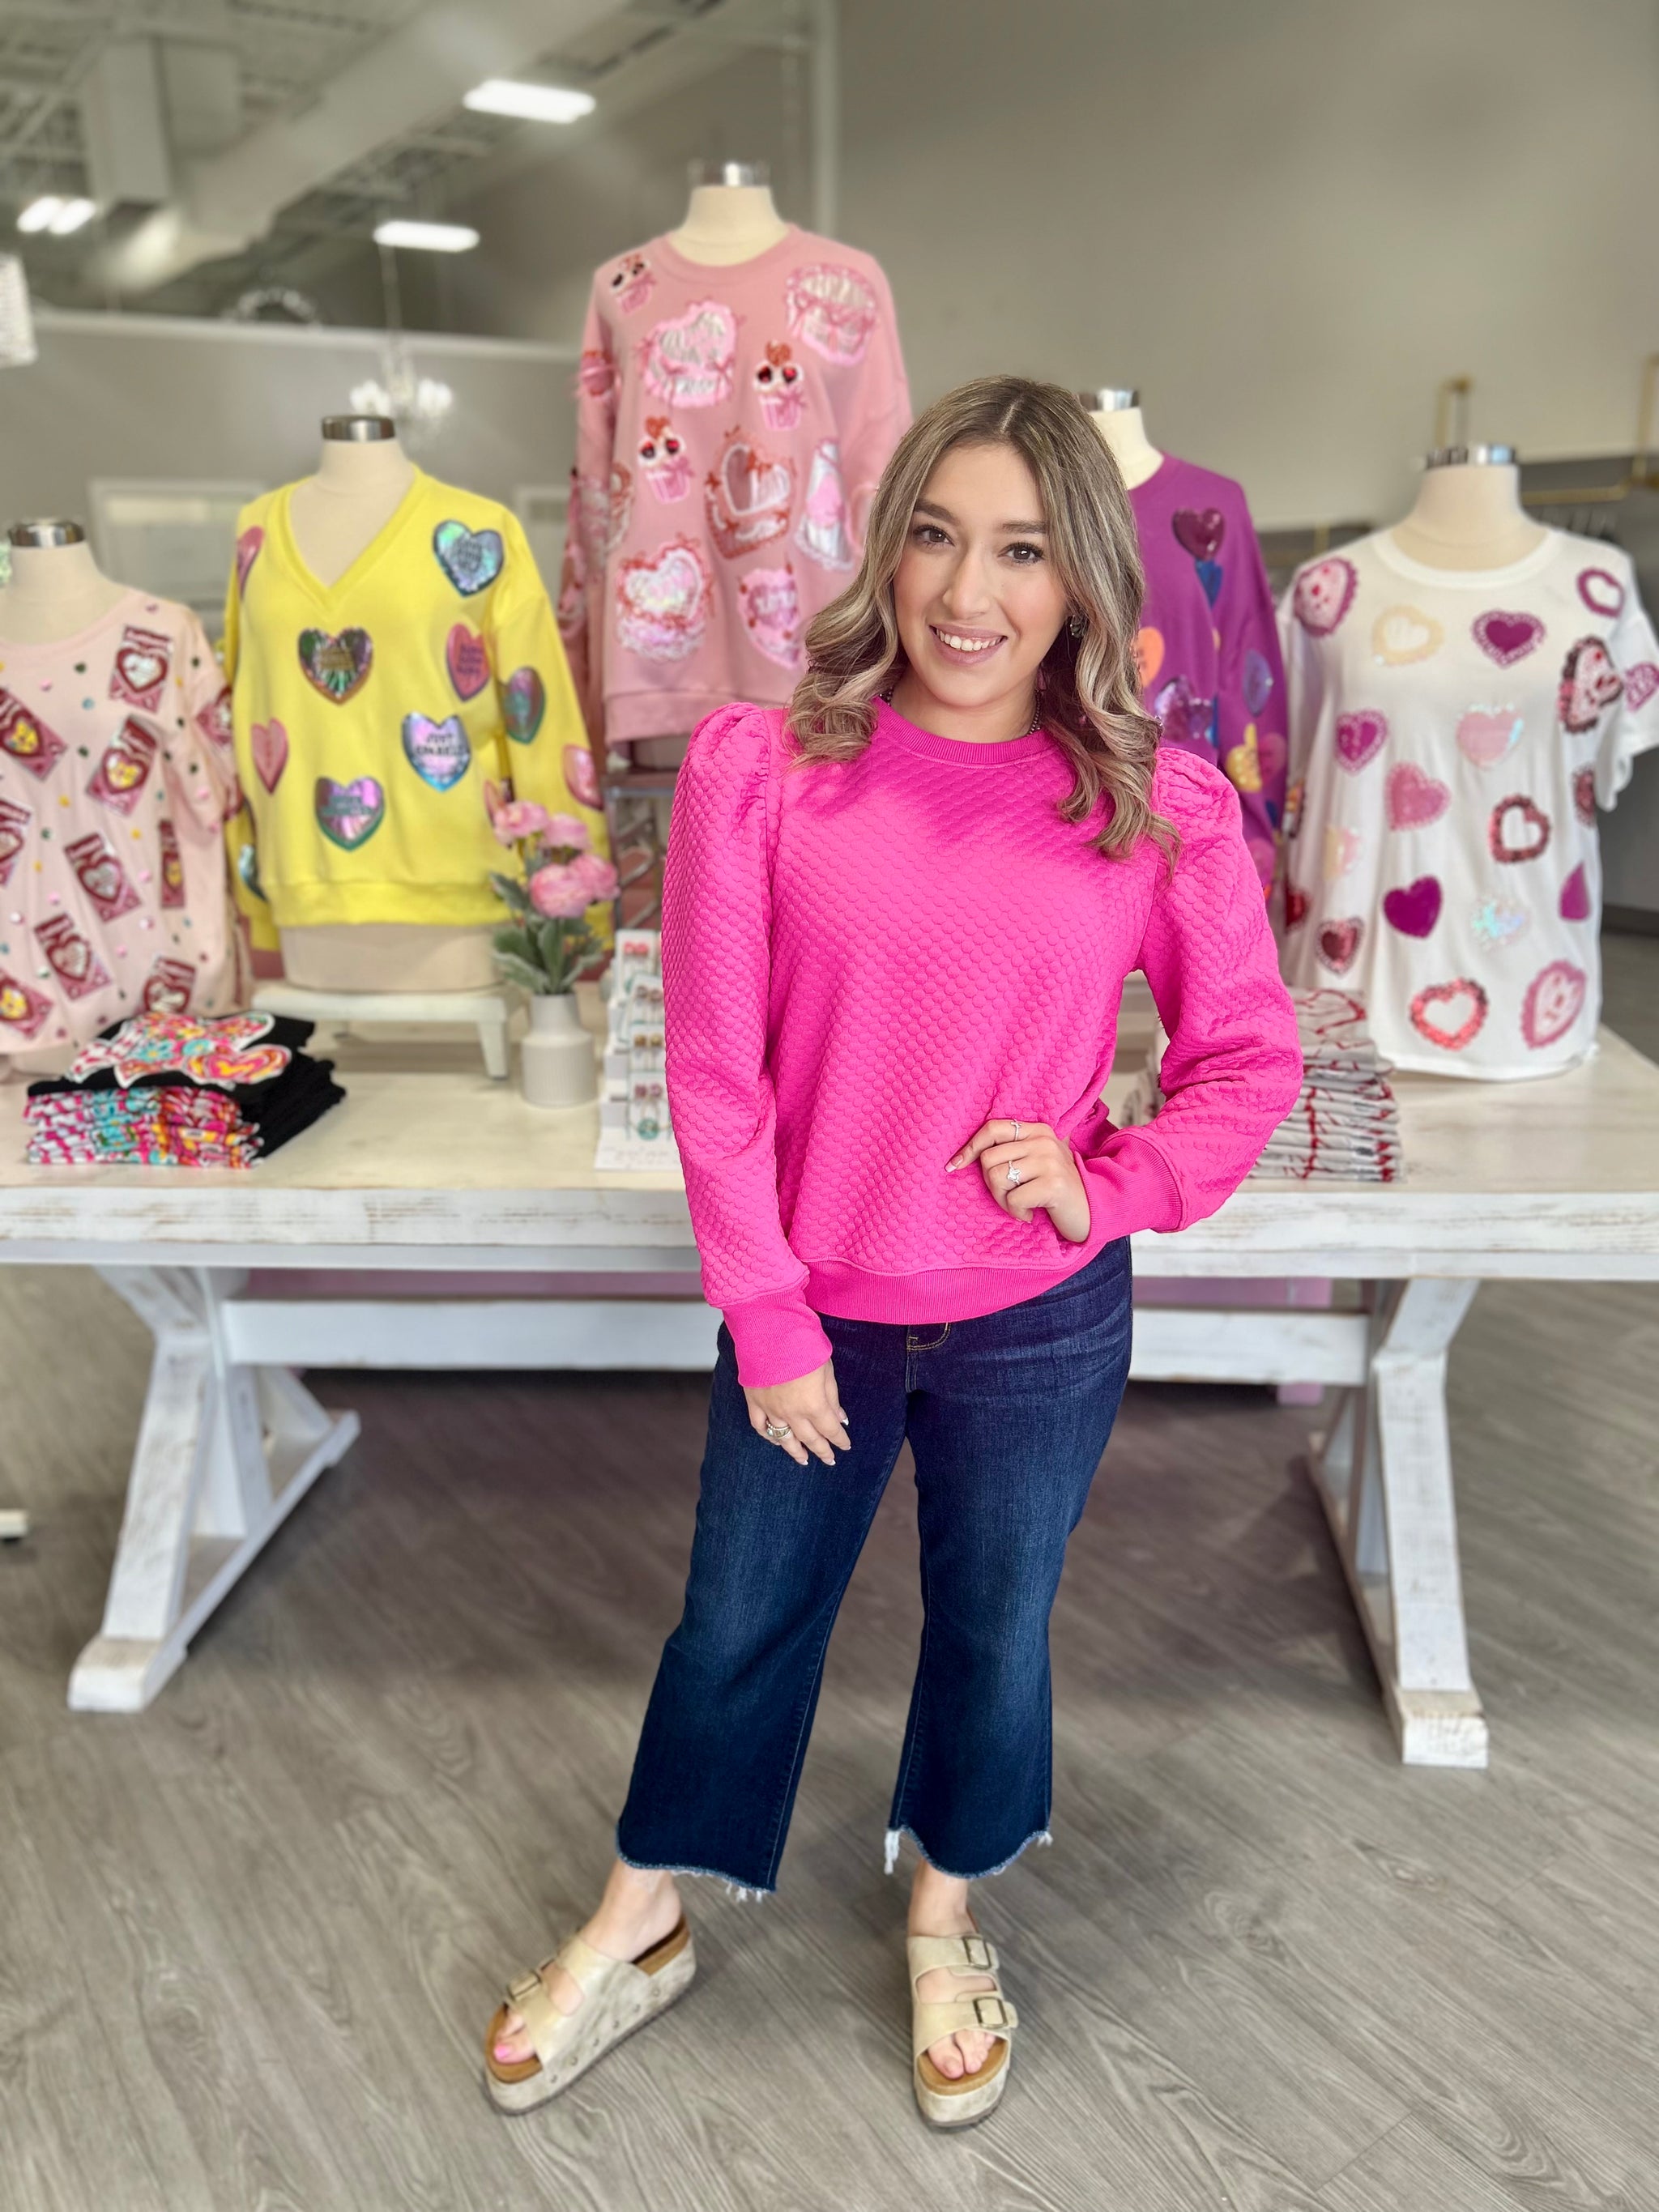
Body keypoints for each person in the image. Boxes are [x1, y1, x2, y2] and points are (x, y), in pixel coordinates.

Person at [482, 376, 1303, 2128]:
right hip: (815, 1311)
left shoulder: (1150, 799)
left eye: (1021, 549)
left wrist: (1113, 1182)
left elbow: (1247, 1059)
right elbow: (715, 1076)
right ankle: (640, 1915)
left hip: (1039, 1320)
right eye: (934, 534)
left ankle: (945, 1909)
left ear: (1082, 581)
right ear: (886, 544)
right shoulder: (764, 769)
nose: (965, 591)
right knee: (734, 1620)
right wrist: (770, 1317)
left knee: (996, 1624)